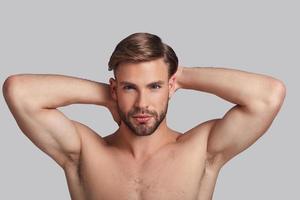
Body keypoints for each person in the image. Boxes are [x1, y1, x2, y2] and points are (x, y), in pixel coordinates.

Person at [2, 32, 286, 200]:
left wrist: (181, 75)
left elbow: (268, 95)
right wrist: (107, 97)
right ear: (115, 88)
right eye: (129, 88)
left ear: (171, 86)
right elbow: (19, 91)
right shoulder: (84, 151)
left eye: (154, 87)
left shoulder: (201, 149)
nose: (142, 104)